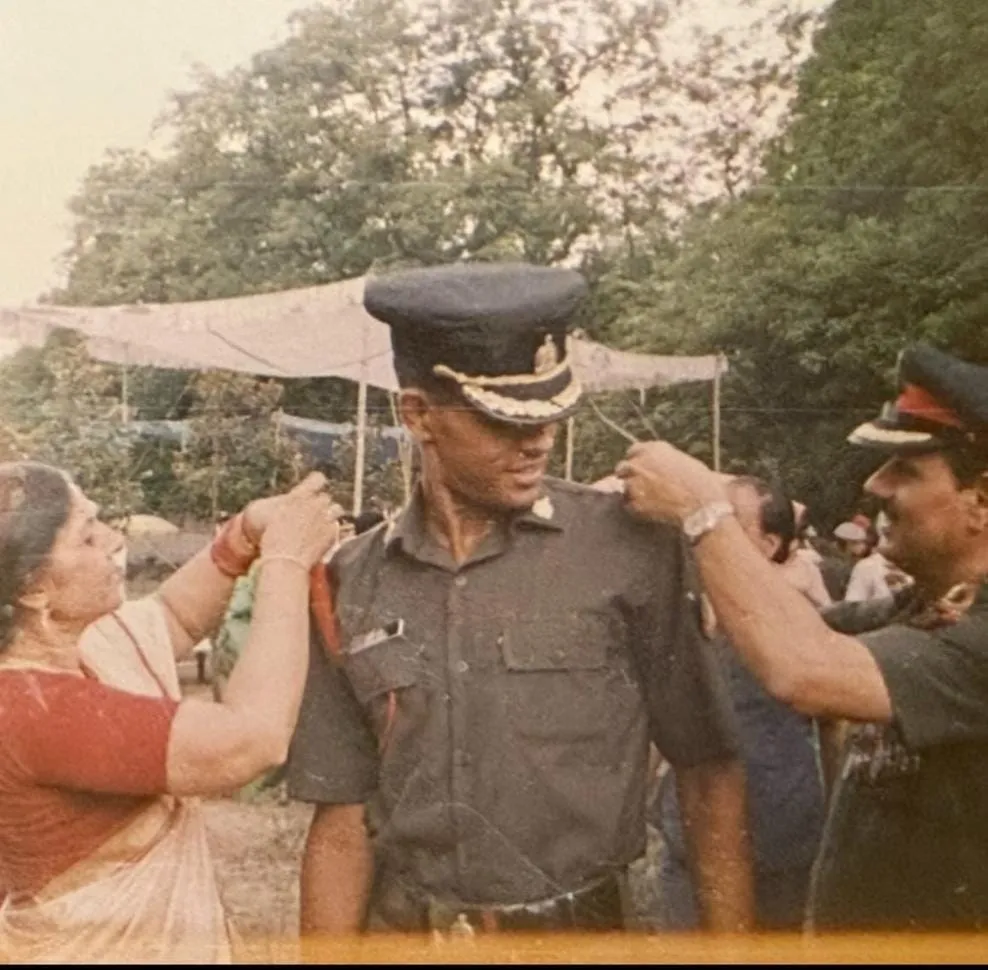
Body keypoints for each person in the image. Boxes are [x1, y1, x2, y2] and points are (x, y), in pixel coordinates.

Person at [287, 262, 752, 936]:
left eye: (553, 412)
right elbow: (341, 822)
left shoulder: (630, 547)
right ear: (419, 415)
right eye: (502, 421)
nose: (538, 439)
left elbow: (709, 770)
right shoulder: (350, 579)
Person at [616, 343, 988, 931]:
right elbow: (794, 628)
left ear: (982, 500)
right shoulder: (928, 604)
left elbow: (802, 668)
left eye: (907, 470)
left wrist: (704, 512)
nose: (876, 484)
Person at [0, 464, 340, 962]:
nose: (114, 541)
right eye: (88, 537)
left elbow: (173, 617)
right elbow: (252, 738)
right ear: (33, 590)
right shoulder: (28, 708)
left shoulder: (82, 647)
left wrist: (244, 534)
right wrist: (286, 563)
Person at [653, 476, 825, 931]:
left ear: (769, 544)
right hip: (689, 839)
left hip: (773, 832)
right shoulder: (674, 611)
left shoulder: (796, 620)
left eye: (725, 521)